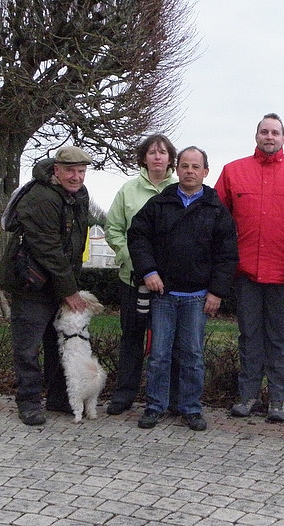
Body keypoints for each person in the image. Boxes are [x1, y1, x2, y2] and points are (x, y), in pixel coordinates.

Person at [215, 113, 284, 422]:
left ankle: (277, 400)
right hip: (246, 273)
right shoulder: (233, 172)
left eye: (275, 132)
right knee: (249, 336)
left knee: (279, 338)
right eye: (264, 132)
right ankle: (246, 396)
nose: (269, 136)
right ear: (256, 136)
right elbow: (217, 220)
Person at [128, 146, 238, 430]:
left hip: (198, 297)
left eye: (195, 167)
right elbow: (138, 236)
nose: (189, 171)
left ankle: (190, 408)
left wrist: (217, 291)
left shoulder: (216, 210)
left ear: (205, 172)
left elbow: (227, 256)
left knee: (192, 356)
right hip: (164, 294)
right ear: (176, 169)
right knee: (159, 355)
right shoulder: (159, 204)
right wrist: (148, 271)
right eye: (184, 166)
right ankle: (155, 406)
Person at [0, 146, 93, 426]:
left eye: (81, 172)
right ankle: (28, 402)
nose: (76, 177)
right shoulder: (41, 197)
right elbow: (48, 248)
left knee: (59, 343)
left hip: (58, 281)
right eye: (71, 171)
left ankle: (58, 398)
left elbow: (74, 242)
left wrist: (69, 283)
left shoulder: (78, 195)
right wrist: (70, 291)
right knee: (27, 346)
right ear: (57, 170)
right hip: (31, 282)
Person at [104, 134, 179, 416]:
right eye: (152, 152)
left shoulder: (181, 188)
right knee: (132, 338)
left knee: (168, 342)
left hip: (170, 284)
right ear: (143, 158)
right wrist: (130, 259)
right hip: (133, 280)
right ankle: (124, 395)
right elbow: (113, 229)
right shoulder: (128, 190)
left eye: (162, 152)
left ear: (171, 158)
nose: (157, 157)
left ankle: (166, 398)